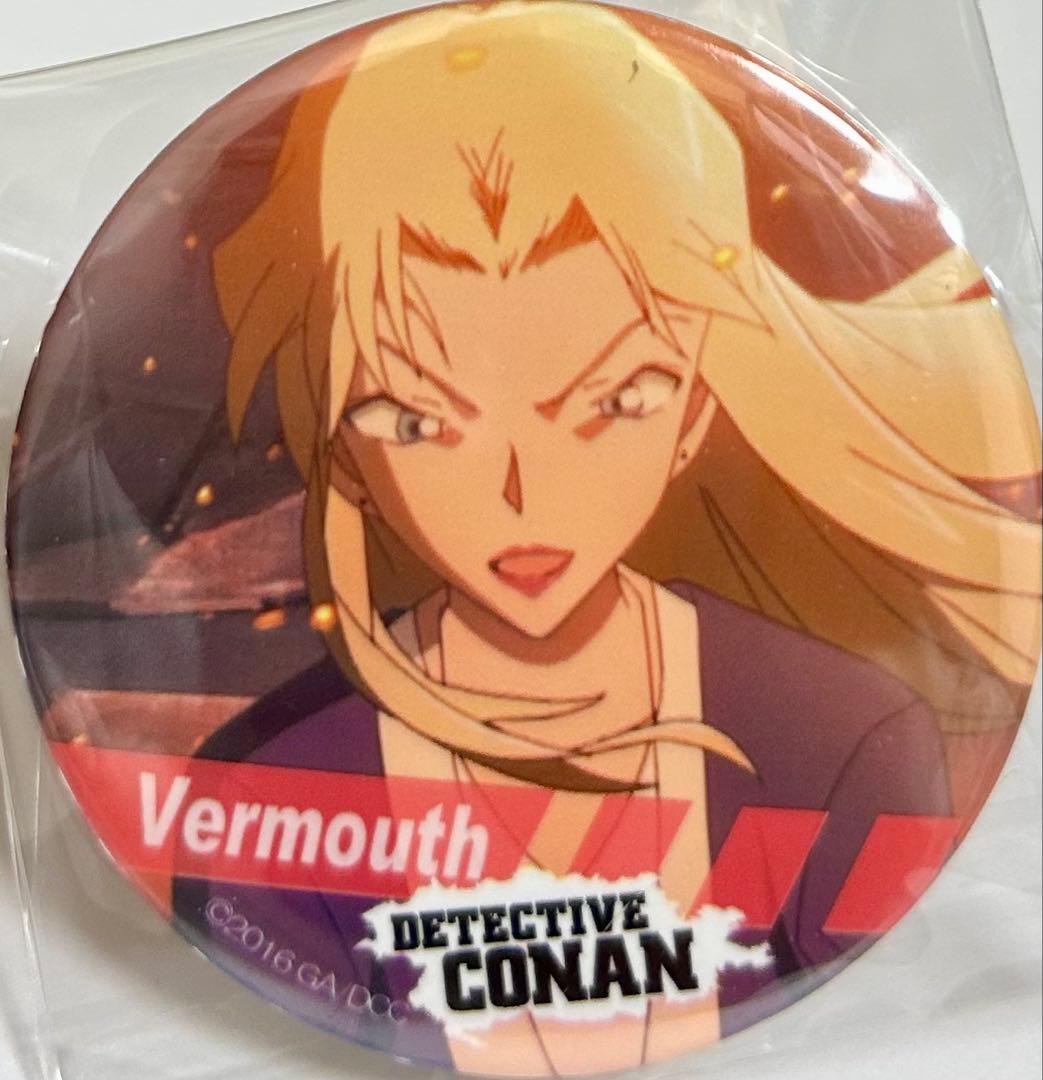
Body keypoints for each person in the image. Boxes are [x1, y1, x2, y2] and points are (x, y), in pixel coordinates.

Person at [174, 3, 1041, 1072]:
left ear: (695, 410)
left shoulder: (843, 742)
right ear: (338, 443)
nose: (520, 491)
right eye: (416, 419)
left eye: (613, 401)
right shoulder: (265, 794)